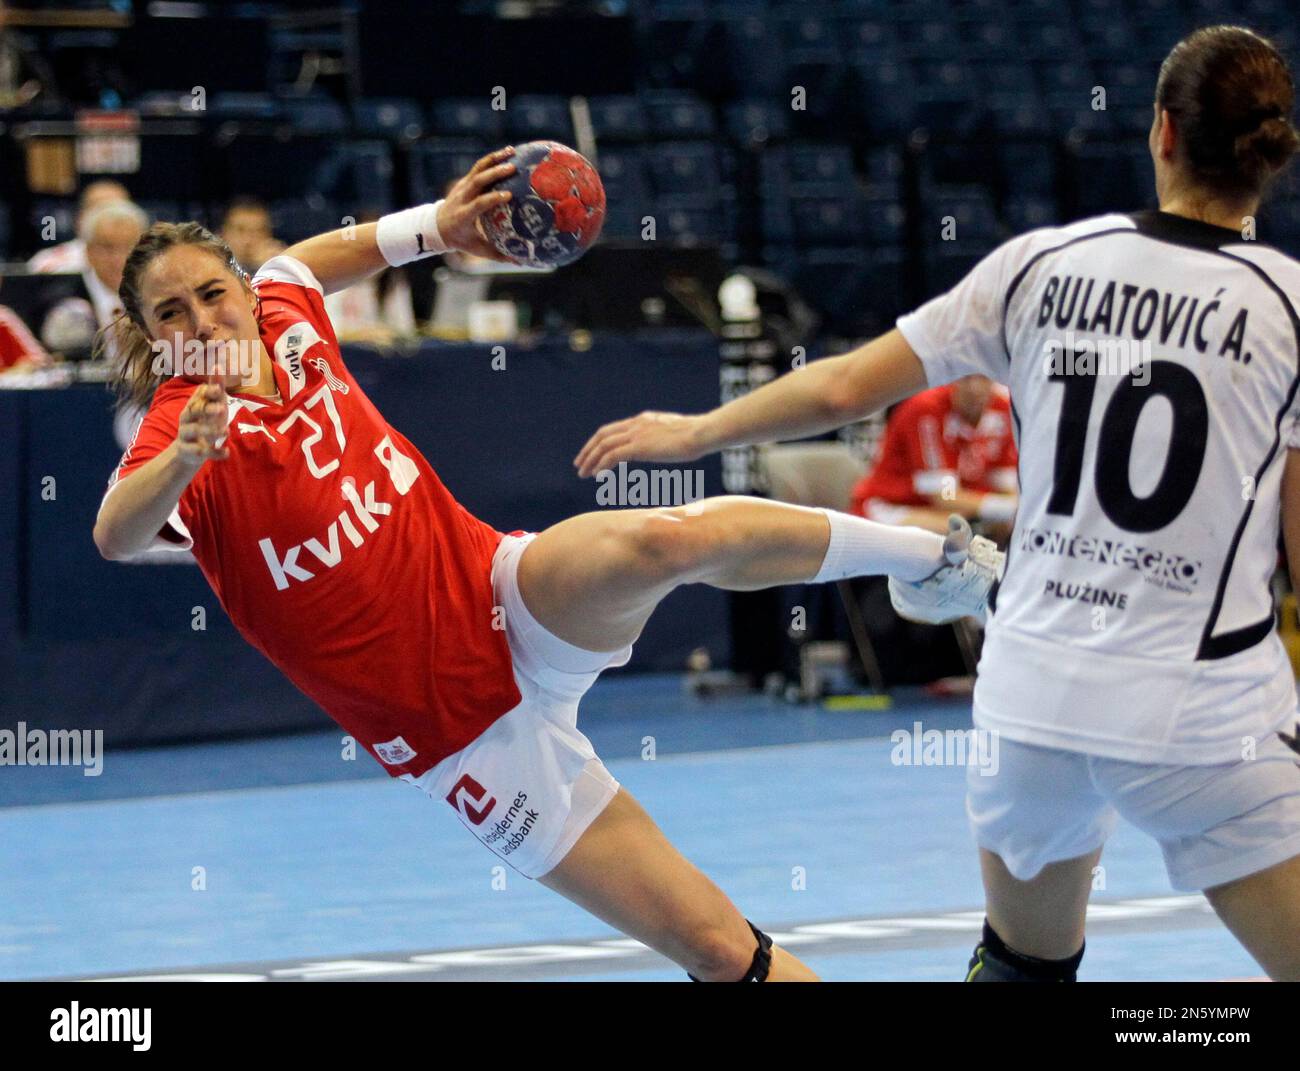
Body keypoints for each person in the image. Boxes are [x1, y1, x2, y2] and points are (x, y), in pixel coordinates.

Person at [92, 149, 999, 982]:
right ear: (146, 333)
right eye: (170, 313)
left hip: (501, 591)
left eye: (212, 293)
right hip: (468, 739)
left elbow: (311, 259)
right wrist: (181, 462)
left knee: (660, 540)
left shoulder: (284, 308)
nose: (202, 320)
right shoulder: (180, 427)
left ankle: (929, 562)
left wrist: (438, 229)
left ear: (241, 289)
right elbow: (114, 535)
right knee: (721, 947)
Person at [575, 25, 1300, 982]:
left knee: (1023, 966)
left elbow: (839, 391)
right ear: (1271, 153)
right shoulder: (1284, 303)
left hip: (1033, 686)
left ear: (1161, 131)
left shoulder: (1044, 262)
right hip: (1199, 706)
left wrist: (698, 431)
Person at [850, 375, 1018, 539]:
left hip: (958, 510)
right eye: (966, 378)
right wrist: (1002, 507)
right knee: (957, 530)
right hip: (894, 505)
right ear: (954, 376)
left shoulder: (1002, 409)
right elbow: (944, 495)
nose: (974, 388)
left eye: (984, 377)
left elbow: (1005, 484)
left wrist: (1012, 510)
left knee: (1006, 525)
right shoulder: (926, 410)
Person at [28, 180, 130, 275]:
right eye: (100, 212)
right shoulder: (50, 264)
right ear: (80, 218)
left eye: (118, 213)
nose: (110, 222)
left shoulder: (143, 261)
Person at [219, 198, 285, 276]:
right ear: (223, 234)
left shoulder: (279, 265)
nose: (248, 240)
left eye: (258, 231)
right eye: (240, 230)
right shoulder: (210, 268)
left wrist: (277, 268)